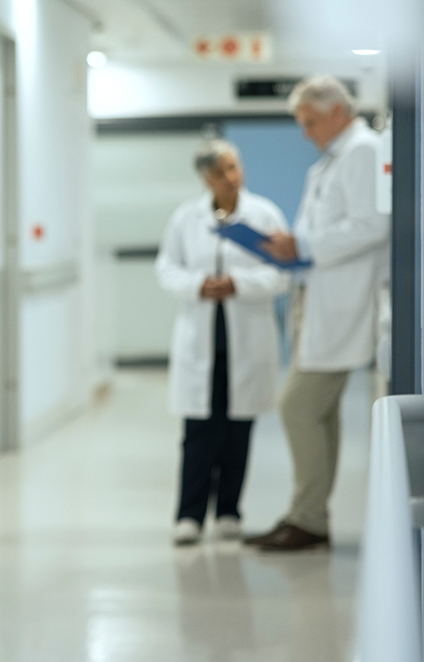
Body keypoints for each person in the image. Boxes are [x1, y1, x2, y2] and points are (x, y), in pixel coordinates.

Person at [250, 75, 390, 551]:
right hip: (318, 292)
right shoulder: (334, 160)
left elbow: (373, 225)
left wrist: (304, 244)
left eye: (310, 122)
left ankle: (308, 518)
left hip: (344, 298)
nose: (306, 132)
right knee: (319, 412)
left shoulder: (364, 152)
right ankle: (310, 517)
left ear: (337, 112)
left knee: (298, 406)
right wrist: (290, 247)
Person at [157, 140, 290, 545]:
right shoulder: (186, 217)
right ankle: (189, 515)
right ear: (206, 178)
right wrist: (199, 285)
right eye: (221, 172)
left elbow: (281, 274)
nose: (232, 177)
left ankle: (230, 511)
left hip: (246, 338)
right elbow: (166, 267)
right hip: (202, 339)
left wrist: (238, 284)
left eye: (235, 167)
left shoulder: (264, 214)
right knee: (199, 429)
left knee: (238, 427)